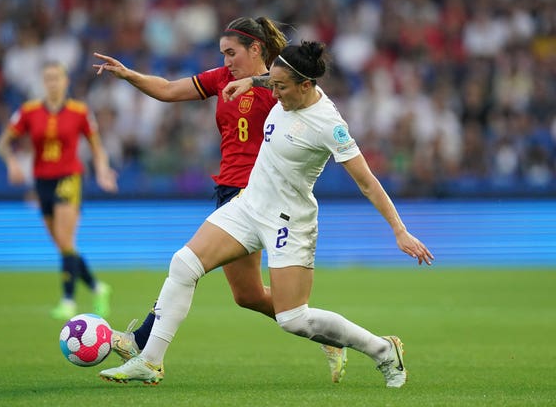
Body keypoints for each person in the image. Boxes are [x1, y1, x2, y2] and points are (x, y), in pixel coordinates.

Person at [98, 41, 434, 388]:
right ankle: (149, 361)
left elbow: (367, 182)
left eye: (280, 87)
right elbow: (268, 80)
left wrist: (399, 230)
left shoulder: (328, 124)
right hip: (248, 204)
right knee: (184, 264)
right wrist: (252, 82)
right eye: (271, 84)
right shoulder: (281, 87)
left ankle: (383, 349)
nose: (275, 93)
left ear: (306, 86)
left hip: (289, 220)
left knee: (293, 318)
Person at [92, 17, 347, 383]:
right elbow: (167, 89)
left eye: (232, 53)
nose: (226, 61)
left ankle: (142, 346)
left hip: (258, 194)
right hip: (229, 190)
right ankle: (328, 334)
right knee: (247, 295)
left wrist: (259, 81)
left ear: (256, 49)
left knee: (187, 265)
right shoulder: (222, 79)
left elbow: (311, 93)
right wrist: (130, 74)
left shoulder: (280, 87)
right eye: (223, 54)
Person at [0, 61, 118, 320]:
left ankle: (68, 300)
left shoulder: (80, 111)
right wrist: (12, 163)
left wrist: (103, 170)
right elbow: (2, 144)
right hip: (42, 181)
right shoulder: (29, 111)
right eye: (48, 78)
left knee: (64, 238)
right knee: (63, 244)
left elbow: (97, 147)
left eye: (57, 78)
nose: (52, 83)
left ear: (66, 81)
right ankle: (98, 287)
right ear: (43, 82)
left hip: (70, 177)